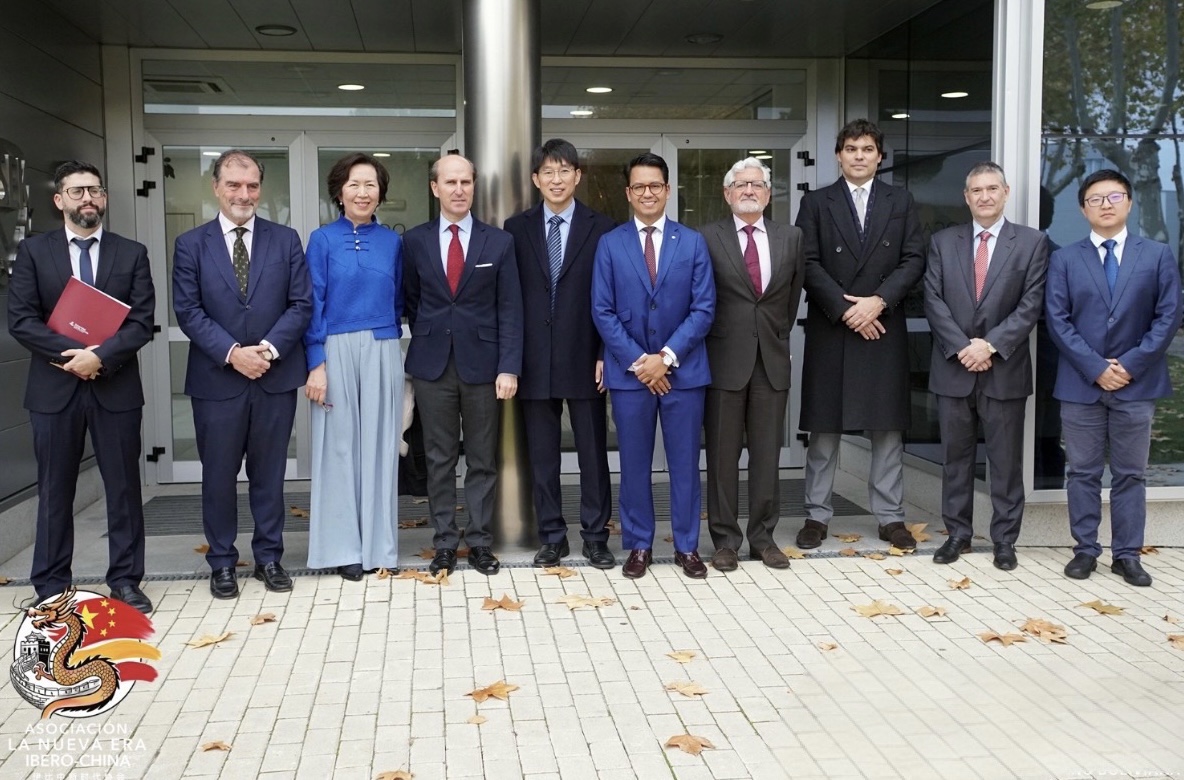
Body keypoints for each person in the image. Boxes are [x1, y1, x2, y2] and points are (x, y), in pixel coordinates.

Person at [7, 161, 155, 614]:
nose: (87, 198)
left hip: (115, 388)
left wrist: (100, 358)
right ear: (59, 200)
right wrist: (74, 356)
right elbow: (22, 320)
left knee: (124, 488)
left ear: (104, 197)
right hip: (54, 390)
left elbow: (141, 322)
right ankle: (52, 587)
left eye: (94, 190)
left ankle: (126, 581)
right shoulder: (34, 251)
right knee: (55, 490)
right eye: (77, 191)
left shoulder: (131, 253)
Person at [172, 149, 312, 599]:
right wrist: (233, 354)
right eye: (233, 184)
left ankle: (269, 557)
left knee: (269, 474)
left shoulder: (285, 239)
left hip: (274, 376)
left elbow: (301, 304)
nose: (243, 194)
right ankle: (222, 562)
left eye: (251, 185)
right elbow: (188, 311)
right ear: (216, 187)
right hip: (217, 380)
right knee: (218, 475)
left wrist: (266, 351)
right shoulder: (191, 244)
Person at [1044, 169, 1182, 587]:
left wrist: (1131, 364)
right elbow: (1057, 319)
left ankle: (1127, 555)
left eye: (1114, 196)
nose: (1106, 204)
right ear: (1083, 209)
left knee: (1131, 474)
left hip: (1137, 384)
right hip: (1081, 384)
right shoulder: (1065, 259)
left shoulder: (1156, 255)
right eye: (1096, 199)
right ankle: (1085, 550)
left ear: (1129, 202)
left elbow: (1168, 315)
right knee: (1082, 473)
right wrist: (1096, 368)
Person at [794, 118, 926, 552]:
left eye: (867, 149)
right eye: (851, 148)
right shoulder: (816, 202)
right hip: (833, 325)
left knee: (887, 426)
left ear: (879, 157)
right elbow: (806, 261)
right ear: (838, 155)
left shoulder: (900, 200)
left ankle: (890, 517)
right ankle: (816, 515)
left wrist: (878, 302)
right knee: (824, 426)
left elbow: (914, 259)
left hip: (882, 325)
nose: (859, 156)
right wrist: (848, 309)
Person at [592, 152, 716, 579]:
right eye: (639, 186)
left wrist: (664, 359)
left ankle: (687, 546)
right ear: (629, 193)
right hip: (631, 377)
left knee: (684, 465)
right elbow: (602, 310)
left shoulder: (692, 242)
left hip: (683, 372)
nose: (648, 193)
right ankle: (639, 544)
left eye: (655, 186)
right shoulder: (610, 243)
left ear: (667, 190)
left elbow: (704, 308)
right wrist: (639, 362)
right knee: (634, 465)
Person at [402, 154, 523, 577]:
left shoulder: (499, 242)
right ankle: (444, 544)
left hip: (485, 367)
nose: (458, 189)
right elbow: (413, 300)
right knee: (438, 459)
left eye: (466, 182)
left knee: (482, 459)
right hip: (432, 366)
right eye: (450, 182)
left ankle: (480, 543)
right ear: (435, 188)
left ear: (474, 186)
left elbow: (510, 309)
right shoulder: (414, 241)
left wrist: (509, 366)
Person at [924, 162, 1049, 570]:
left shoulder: (1031, 243)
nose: (984, 196)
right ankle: (957, 535)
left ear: (1005, 192)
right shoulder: (943, 242)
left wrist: (990, 346)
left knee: (1005, 463)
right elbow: (933, 300)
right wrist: (963, 347)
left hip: (1004, 371)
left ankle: (1004, 541)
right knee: (955, 460)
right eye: (976, 190)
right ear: (966, 197)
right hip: (954, 368)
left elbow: (1031, 304)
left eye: (992, 188)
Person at [503, 139, 617, 570]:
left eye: (564, 170)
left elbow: (612, 297)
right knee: (542, 457)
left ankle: (595, 537)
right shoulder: (516, 229)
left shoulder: (602, 227)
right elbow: (510, 299)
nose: (556, 179)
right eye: (548, 172)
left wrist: (605, 351)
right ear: (536, 179)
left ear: (577, 176)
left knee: (593, 453)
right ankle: (552, 536)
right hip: (533, 360)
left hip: (586, 356)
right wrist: (511, 360)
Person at [303, 153, 404, 581]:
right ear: (339, 192)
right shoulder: (322, 240)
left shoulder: (393, 243)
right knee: (339, 449)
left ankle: (379, 546)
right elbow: (312, 303)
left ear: (380, 193)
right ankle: (343, 548)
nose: (363, 193)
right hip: (335, 349)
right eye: (354, 184)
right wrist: (316, 363)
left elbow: (398, 301)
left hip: (382, 346)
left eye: (370, 185)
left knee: (381, 448)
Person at [702, 157, 804, 571]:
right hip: (723, 361)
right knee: (722, 458)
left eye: (757, 184)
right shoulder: (707, 237)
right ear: (727, 193)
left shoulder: (790, 237)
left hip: (771, 362)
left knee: (766, 457)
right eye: (741, 184)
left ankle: (763, 538)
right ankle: (725, 541)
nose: (749, 190)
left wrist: (774, 336)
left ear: (768, 194)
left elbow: (791, 298)